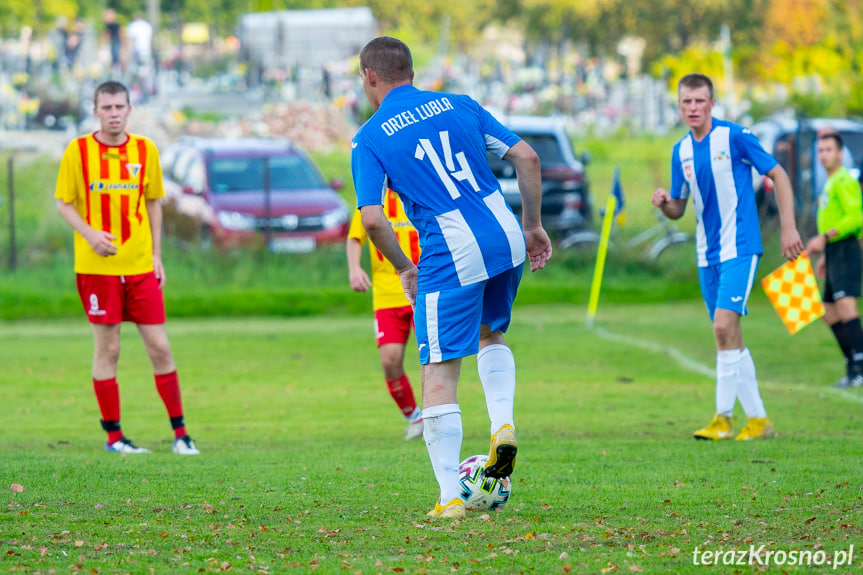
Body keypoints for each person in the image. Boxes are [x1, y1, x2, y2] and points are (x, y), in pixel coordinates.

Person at [351, 36, 552, 518]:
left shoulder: (370, 136)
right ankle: (502, 424)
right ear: (412, 72)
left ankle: (449, 498)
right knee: (490, 332)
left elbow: (374, 220)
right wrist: (532, 225)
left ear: (369, 77)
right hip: (503, 233)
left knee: (438, 370)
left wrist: (405, 268)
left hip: (452, 248)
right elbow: (527, 157)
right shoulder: (460, 103)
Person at [651, 73, 803, 442]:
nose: (693, 108)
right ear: (679, 106)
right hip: (707, 253)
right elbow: (679, 208)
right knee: (729, 334)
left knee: (722, 328)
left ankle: (722, 417)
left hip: (741, 245)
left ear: (712, 103)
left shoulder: (734, 136)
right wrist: (665, 204)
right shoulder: (680, 151)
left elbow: (778, 174)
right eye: (686, 101)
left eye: (700, 101)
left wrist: (788, 228)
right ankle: (760, 421)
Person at [55, 80, 199, 456]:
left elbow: (153, 204)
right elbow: (64, 203)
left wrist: (156, 256)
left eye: (120, 107)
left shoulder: (144, 150)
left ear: (129, 109)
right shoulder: (78, 151)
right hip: (97, 269)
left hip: (139, 266)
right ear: (96, 110)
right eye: (107, 108)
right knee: (110, 349)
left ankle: (181, 435)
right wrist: (90, 235)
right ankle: (115, 438)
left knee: (160, 347)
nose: (114, 113)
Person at [346, 189, 424, 440]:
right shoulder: (373, 195)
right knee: (390, 362)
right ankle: (414, 417)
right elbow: (355, 238)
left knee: (431, 358)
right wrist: (354, 269)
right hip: (386, 296)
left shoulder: (418, 185)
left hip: (423, 288)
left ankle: (438, 415)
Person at [806, 132, 863, 388]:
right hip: (833, 253)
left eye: (829, 150)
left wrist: (825, 238)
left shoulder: (844, 180)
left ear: (840, 153)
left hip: (845, 249)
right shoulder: (828, 183)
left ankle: (859, 368)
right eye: (821, 150)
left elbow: (857, 218)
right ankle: (852, 364)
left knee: (846, 307)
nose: (824, 155)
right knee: (828, 313)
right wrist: (825, 256)